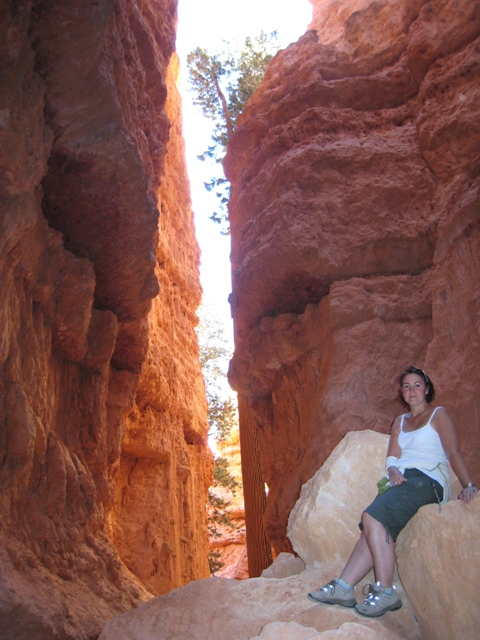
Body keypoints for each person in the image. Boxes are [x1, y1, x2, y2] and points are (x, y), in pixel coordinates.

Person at [307, 365, 478, 618]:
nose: (412, 390)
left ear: (427, 389)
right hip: (403, 480)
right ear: (402, 393)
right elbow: (393, 455)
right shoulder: (400, 421)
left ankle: (386, 591)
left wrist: (469, 486)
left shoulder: (438, 415)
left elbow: (453, 452)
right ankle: (343, 588)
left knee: (372, 518)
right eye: (406, 386)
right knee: (371, 526)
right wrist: (393, 471)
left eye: (417, 385)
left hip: (429, 481)